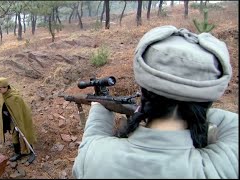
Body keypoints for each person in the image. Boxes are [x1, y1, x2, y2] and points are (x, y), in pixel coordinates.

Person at [72, 25, 238, 178]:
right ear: (206, 102)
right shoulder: (222, 166)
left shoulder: (95, 156)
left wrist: (100, 108)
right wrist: (192, 107)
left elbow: (93, 134)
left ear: (144, 92)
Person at [0, 77, 36, 164]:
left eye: (0, 89)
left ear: (6, 87)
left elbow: (19, 113)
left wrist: (18, 122)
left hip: (22, 118)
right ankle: (17, 153)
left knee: (25, 132)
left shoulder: (14, 97)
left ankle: (31, 152)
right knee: (14, 134)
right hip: (11, 118)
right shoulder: (4, 95)